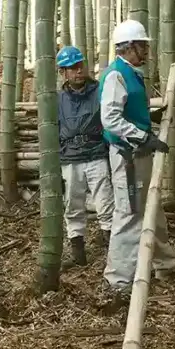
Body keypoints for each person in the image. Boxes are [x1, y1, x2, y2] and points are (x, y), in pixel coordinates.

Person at [99, 19, 175, 296]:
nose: (146, 51)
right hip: (127, 157)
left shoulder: (133, 73)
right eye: (143, 46)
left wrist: (150, 119)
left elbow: (129, 109)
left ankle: (166, 264)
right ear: (129, 47)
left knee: (152, 207)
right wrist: (144, 136)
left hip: (139, 152)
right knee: (130, 212)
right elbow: (110, 119)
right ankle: (118, 279)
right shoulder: (115, 75)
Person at [56, 45, 114, 267]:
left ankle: (112, 251)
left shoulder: (99, 91)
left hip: (96, 154)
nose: (78, 71)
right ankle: (78, 253)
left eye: (80, 66)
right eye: (72, 68)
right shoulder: (58, 99)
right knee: (72, 204)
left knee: (105, 201)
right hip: (70, 158)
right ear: (63, 72)